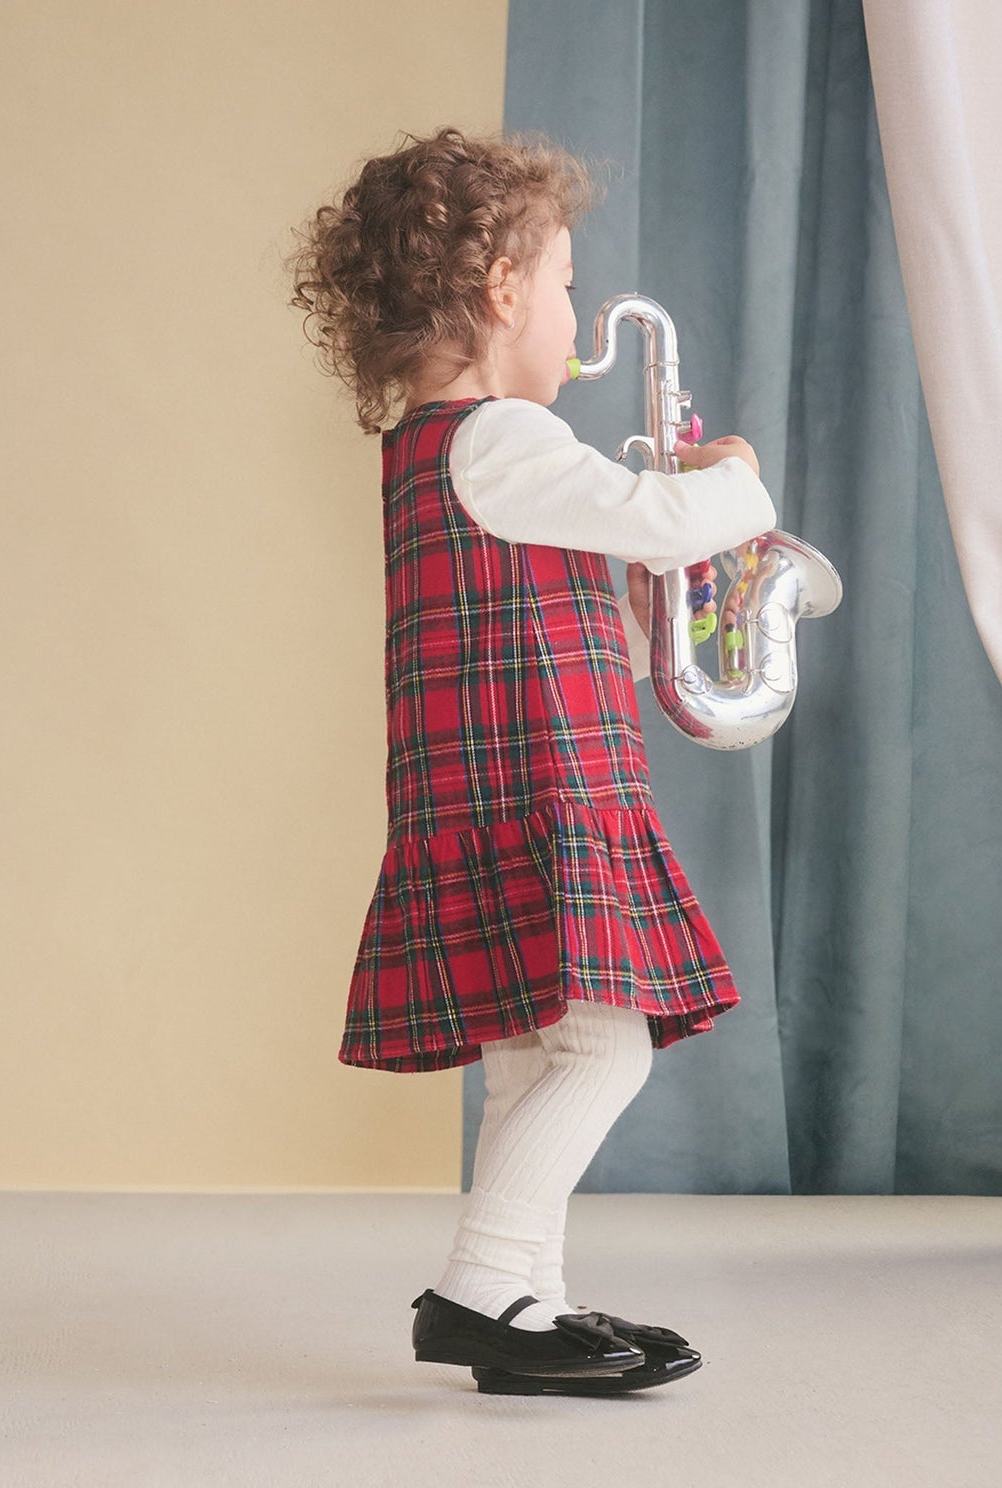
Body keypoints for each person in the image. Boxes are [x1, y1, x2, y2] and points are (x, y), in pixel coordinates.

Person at [284, 126, 776, 1393]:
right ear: (500, 291)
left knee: (533, 1059)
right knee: (599, 1049)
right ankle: (475, 1290)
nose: (571, 316)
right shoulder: (496, 439)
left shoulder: (444, 449)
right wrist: (734, 482)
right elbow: (662, 519)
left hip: (489, 789)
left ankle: (521, 1299)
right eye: (562, 286)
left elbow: (554, 593)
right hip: (536, 788)